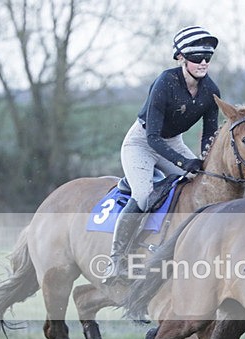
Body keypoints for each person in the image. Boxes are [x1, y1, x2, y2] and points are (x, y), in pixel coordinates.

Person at [104, 25, 221, 280]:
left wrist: (202, 162)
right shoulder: (165, 82)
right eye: (196, 57)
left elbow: (208, 137)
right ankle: (116, 259)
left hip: (174, 141)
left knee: (202, 183)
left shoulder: (211, 90)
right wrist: (184, 161)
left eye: (208, 57)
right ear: (180, 57)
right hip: (142, 143)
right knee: (144, 196)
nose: (203, 62)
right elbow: (153, 138)